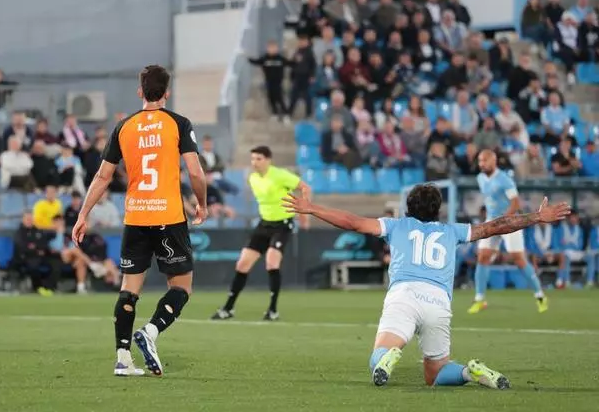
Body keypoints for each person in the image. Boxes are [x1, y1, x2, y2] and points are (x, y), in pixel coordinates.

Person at [282, 182, 570, 389]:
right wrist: (536, 217)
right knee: (435, 374)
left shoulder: (396, 225)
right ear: (438, 210)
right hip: (438, 303)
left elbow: (352, 222)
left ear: (408, 207)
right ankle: (469, 373)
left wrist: (312, 208)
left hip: (404, 295)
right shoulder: (452, 231)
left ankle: (389, 356)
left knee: (376, 360)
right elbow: (497, 226)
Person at [71, 65, 206, 377]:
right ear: (167, 93)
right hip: (168, 216)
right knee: (182, 287)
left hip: (136, 215)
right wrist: (202, 204)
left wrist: (83, 214)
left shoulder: (124, 126)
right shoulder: (178, 123)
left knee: (129, 289)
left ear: (140, 92)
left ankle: (123, 359)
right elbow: (195, 172)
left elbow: (103, 176)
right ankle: (151, 331)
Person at [212, 145, 308, 321]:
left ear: (268, 160)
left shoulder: (280, 175)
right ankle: (228, 308)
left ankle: (273, 310)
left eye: (258, 159)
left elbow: (304, 187)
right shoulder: (253, 178)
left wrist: (304, 213)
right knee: (242, 264)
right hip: (264, 224)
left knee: (271, 262)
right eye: (252, 159)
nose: (254, 162)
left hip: (283, 224)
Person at [468, 150, 548, 314]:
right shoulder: (480, 178)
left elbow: (515, 203)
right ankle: (479, 299)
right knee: (483, 256)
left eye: (485, 160)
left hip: (509, 221)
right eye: (480, 161)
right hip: (491, 222)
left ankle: (540, 295)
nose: (482, 164)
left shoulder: (504, 179)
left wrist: (504, 220)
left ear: (494, 161)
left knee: (519, 259)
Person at [249, 41, 291, 123]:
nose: (272, 50)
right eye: (270, 48)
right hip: (269, 82)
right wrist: (247, 57)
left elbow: (289, 63)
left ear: (277, 49)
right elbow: (256, 62)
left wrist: (297, 61)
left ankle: (285, 115)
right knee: (271, 98)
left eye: (274, 48)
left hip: (278, 82)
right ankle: (275, 114)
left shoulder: (280, 58)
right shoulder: (265, 58)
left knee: (279, 98)